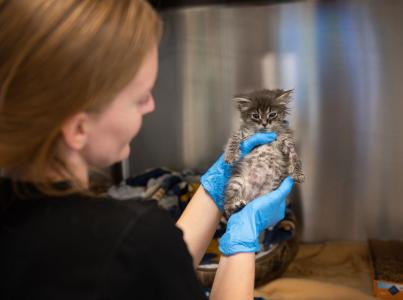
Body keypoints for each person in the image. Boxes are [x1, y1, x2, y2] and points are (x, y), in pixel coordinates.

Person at [0, 1, 294, 299]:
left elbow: (143, 269)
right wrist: (243, 238)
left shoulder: (28, 219)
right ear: (78, 129)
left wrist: (213, 191)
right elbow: (140, 253)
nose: (150, 106)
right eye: (138, 99)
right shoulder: (133, 238)